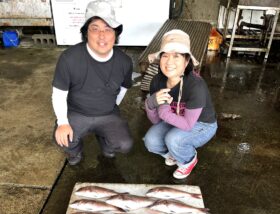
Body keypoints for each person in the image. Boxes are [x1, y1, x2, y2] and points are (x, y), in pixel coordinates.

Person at [52, 1, 133, 165]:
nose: (102, 35)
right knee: (63, 139)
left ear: (115, 34)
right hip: (77, 113)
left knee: (124, 144)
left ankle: (106, 142)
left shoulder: (124, 61)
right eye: (95, 29)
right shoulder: (69, 58)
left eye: (108, 29)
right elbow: (58, 94)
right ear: (86, 33)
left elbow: (124, 88)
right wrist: (62, 122)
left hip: (108, 114)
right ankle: (75, 152)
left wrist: (110, 106)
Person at [144, 30, 217, 179]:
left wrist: (164, 111)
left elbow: (188, 125)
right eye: (165, 55)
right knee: (150, 140)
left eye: (176, 56)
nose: (169, 61)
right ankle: (174, 153)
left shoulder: (196, 86)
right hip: (174, 119)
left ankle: (188, 160)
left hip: (202, 125)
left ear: (186, 61)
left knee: (174, 139)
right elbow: (157, 121)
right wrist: (150, 104)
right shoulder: (157, 81)